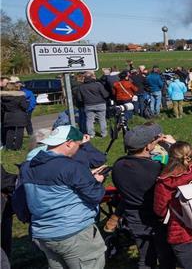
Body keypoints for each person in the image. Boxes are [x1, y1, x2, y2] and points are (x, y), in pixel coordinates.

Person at [13, 126, 107, 269]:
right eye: (78, 145)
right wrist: (96, 181)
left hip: (44, 233)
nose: (77, 149)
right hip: (74, 233)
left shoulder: (28, 166)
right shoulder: (71, 167)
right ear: (69, 143)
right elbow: (96, 195)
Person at [112, 125, 177, 269]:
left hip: (134, 218)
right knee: (166, 257)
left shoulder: (118, 166)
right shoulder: (157, 169)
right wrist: (174, 146)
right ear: (148, 146)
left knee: (145, 258)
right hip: (158, 219)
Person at [75, 72, 110, 138]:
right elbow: (105, 94)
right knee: (102, 119)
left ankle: (91, 134)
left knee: (89, 120)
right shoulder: (98, 84)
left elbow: (79, 99)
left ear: (84, 78)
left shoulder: (81, 87)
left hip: (88, 105)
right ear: (91, 77)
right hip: (100, 104)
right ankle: (104, 133)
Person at [1, 80, 29, 150]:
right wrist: (27, 103)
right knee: (20, 132)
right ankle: (17, 147)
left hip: (8, 115)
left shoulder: (3, 97)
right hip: (20, 115)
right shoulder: (20, 96)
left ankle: (8, 147)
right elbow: (25, 107)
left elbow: (2, 108)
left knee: (10, 132)